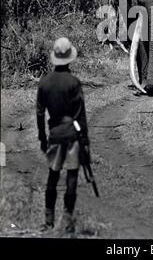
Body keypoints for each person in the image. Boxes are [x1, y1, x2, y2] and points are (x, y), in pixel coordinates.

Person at [36, 37, 90, 233]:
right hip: (72, 134)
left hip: (55, 134)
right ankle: (68, 221)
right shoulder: (74, 83)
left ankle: (48, 220)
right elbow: (80, 115)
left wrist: (43, 139)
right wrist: (85, 141)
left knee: (52, 175)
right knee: (72, 177)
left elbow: (40, 113)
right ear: (70, 58)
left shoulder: (44, 83)